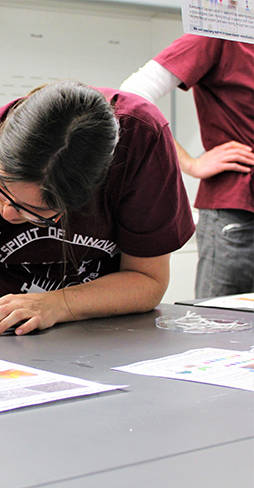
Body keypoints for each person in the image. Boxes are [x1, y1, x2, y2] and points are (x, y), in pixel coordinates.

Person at [0, 80, 195, 337]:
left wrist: (54, 305)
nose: (7, 214)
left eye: (34, 211)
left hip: (109, 322)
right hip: (6, 323)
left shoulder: (140, 139)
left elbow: (148, 281)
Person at [120, 33, 254, 299]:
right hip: (239, 210)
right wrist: (191, 164)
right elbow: (133, 94)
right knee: (222, 325)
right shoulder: (221, 36)